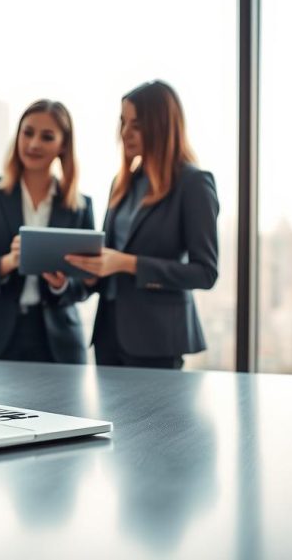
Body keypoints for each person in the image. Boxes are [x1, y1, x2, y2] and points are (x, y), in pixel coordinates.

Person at [66, 81, 219, 368]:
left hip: (157, 339)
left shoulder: (193, 183)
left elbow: (205, 273)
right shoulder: (121, 184)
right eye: (123, 122)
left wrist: (128, 263)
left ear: (161, 126)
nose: (125, 133)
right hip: (108, 334)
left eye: (136, 125)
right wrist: (86, 274)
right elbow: (109, 258)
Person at [0, 100, 94, 364]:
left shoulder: (79, 205)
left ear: (63, 145)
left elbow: (88, 282)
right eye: (28, 132)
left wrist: (61, 285)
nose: (33, 144)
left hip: (57, 339)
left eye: (47, 137)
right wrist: (7, 263)